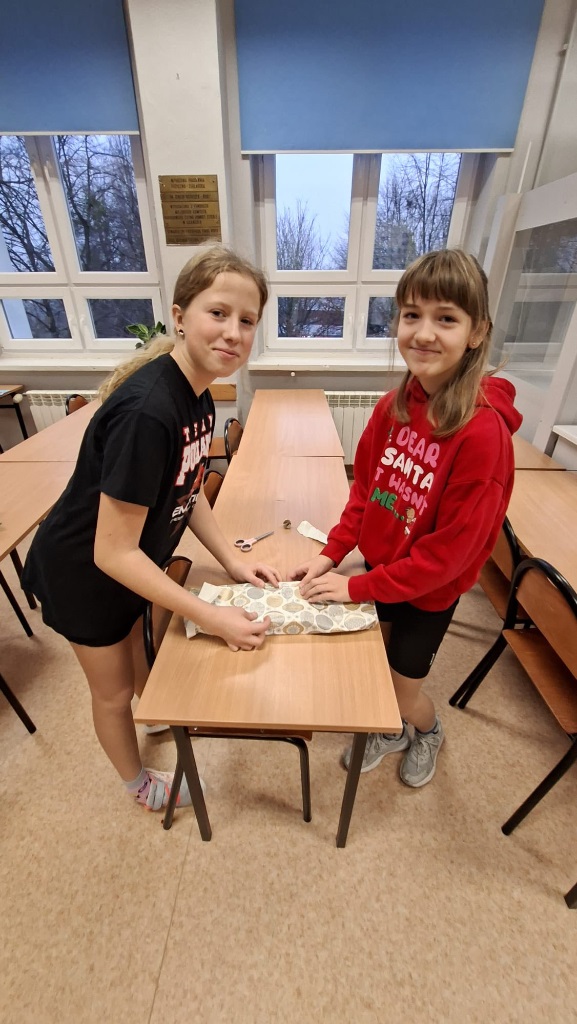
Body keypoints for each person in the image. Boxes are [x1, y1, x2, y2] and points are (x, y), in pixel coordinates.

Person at [22, 245, 280, 811]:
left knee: (138, 655)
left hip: (130, 564)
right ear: (180, 316)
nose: (233, 332)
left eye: (247, 320)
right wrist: (209, 615)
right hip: (83, 573)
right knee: (112, 692)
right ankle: (137, 783)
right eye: (219, 313)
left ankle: (153, 706)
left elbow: (189, 488)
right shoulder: (149, 412)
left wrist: (233, 561)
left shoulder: (199, 395)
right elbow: (112, 552)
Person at [292, 249, 522, 788]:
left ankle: (427, 729)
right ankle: (390, 730)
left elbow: (445, 559)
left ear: (477, 332)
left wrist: (354, 589)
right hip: (384, 572)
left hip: (428, 592)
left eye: (446, 318)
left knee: (400, 691)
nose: (423, 333)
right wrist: (331, 554)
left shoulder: (482, 435)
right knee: (375, 668)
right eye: (411, 315)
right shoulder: (392, 408)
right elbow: (365, 492)